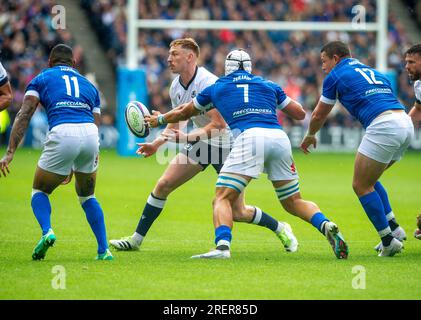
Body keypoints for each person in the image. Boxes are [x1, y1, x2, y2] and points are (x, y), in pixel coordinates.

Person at [147, 48, 348, 259]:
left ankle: (222, 247)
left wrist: (160, 120)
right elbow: (299, 113)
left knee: (221, 198)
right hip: (279, 139)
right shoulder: (268, 85)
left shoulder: (217, 87)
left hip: (249, 138)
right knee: (293, 201)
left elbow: (183, 112)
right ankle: (325, 224)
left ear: (227, 68)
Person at [110, 38, 298, 253]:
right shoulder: (175, 86)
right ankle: (136, 240)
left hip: (228, 145)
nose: (168, 59)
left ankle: (280, 227)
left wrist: (186, 137)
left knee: (238, 211)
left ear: (190, 57)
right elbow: (175, 124)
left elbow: (218, 125)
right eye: (170, 54)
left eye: (174, 54)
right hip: (202, 144)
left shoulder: (208, 83)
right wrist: (157, 143)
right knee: (163, 185)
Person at [300, 41, 414, 257]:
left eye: (324, 61)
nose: (323, 66)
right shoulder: (372, 71)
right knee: (369, 180)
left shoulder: (335, 76)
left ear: (336, 58)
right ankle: (395, 229)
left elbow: (318, 114)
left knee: (360, 185)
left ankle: (388, 241)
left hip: (384, 125)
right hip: (404, 122)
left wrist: (310, 135)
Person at [0, 44, 113, 261]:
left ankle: (47, 231)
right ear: (74, 64)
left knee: (39, 192)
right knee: (87, 196)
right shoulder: (89, 85)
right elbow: (96, 123)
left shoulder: (41, 78)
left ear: (50, 62)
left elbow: (24, 114)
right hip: (90, 135)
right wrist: (78, 159)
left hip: (62, 131)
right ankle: (103, 250)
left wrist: (10, 152)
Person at [404, 43, 421, 240]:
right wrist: (402, 128)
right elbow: (418, 109)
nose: (407, 66)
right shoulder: (418, 84)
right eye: (406, 62)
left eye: (411, 62)